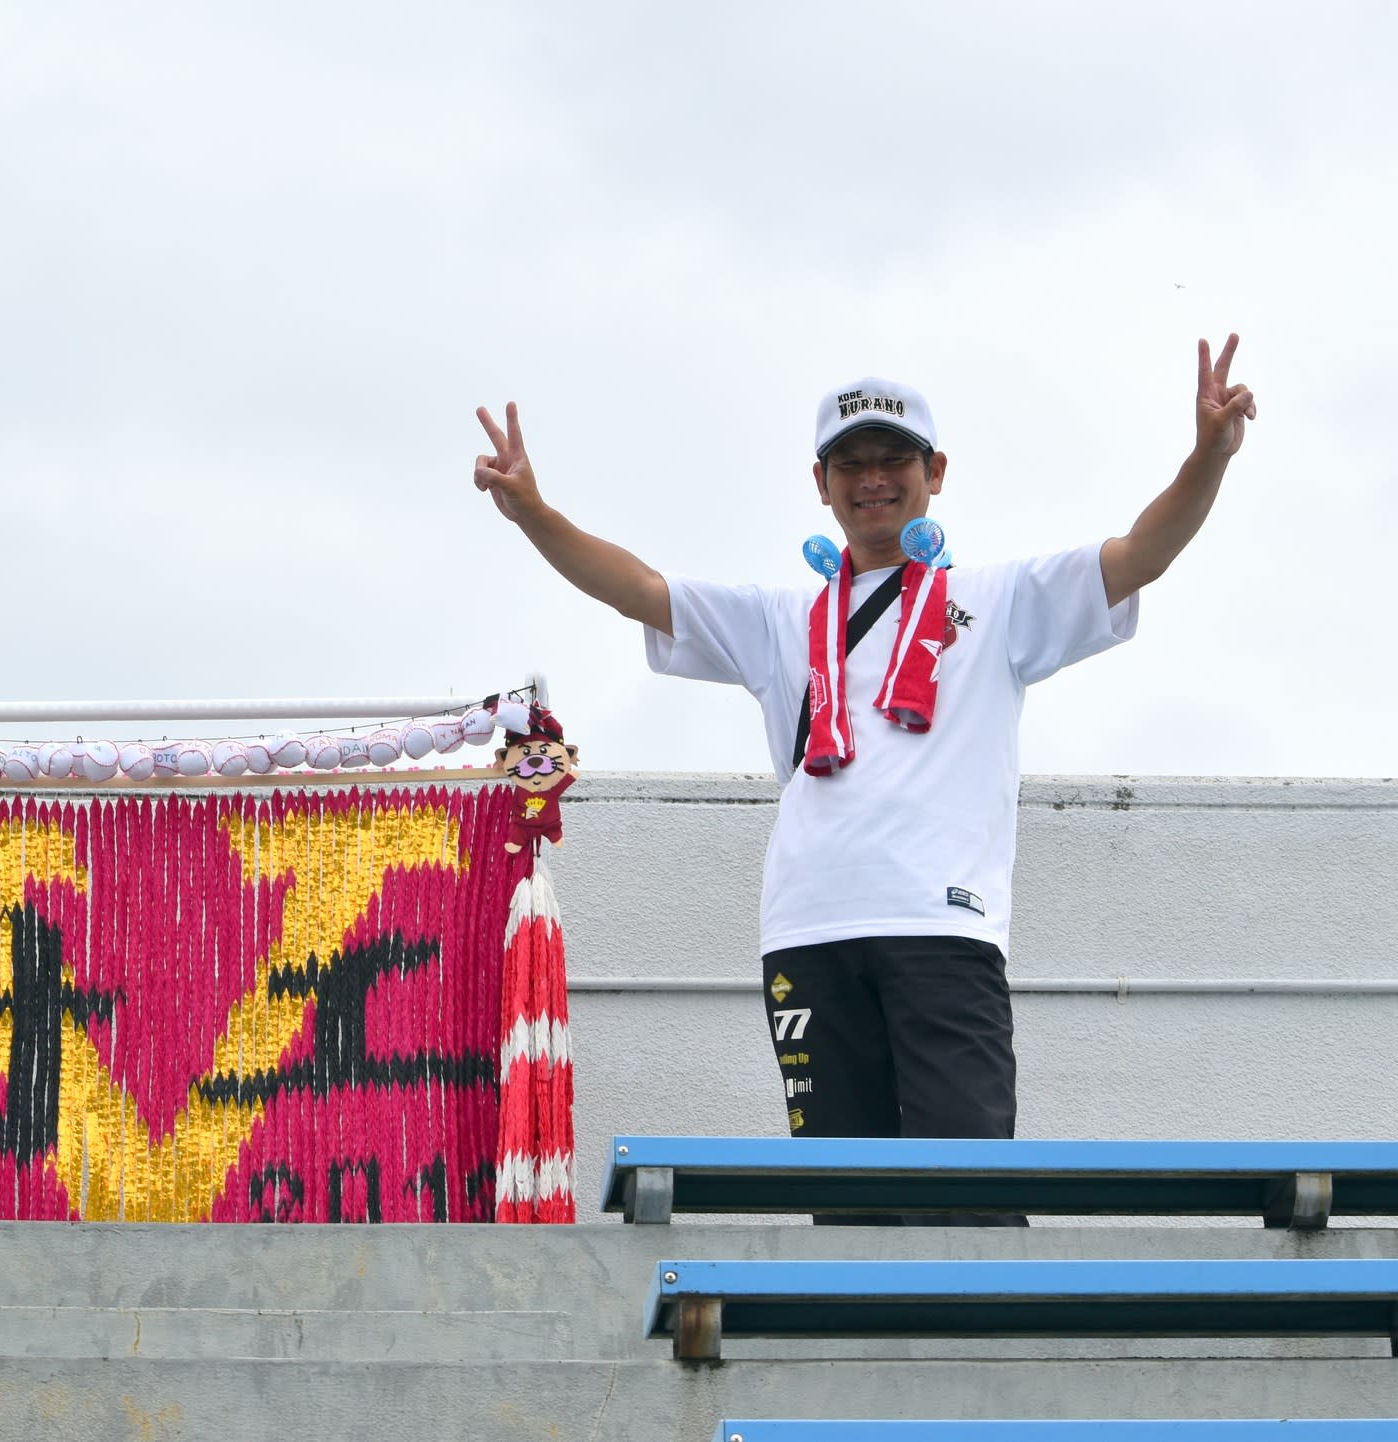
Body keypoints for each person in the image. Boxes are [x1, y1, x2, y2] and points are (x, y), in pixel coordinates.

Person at [472, 337, 1257, 1221]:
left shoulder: (999, 601)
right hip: (808, 931)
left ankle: (972, 1356)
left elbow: (1138, 556)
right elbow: (642, 591)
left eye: (893, 460)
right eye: (851, 464)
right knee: (846, 1206)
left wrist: (1208, 456)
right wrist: (533, 511)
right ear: (822, 483)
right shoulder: (783, 617)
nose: (872, 479)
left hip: (943, 928)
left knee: (969, 1201)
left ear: (936, 471)